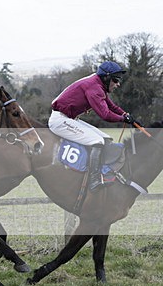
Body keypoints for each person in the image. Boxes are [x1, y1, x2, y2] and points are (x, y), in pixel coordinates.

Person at [48, 61, 136, 190]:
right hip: (59, 121)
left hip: (69, 118)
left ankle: (104, 173)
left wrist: (125, 114)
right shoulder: (94, 88)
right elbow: (105, 115)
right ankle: (93, 181)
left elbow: (111, 106)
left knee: (106, 139)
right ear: (106, 78)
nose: (118, 84)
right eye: (115, 80)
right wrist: (123, 118)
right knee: (97, 141)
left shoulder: (98, 83)